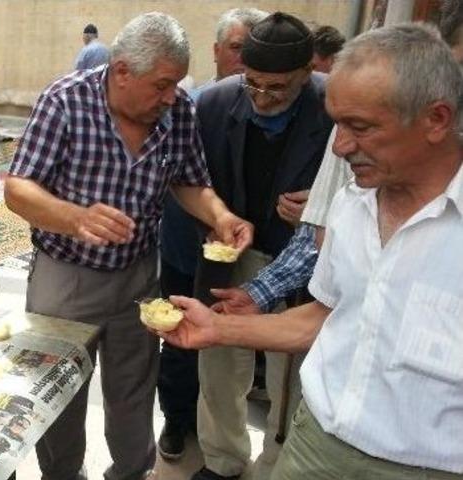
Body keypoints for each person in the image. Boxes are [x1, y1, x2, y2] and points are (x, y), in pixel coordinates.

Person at [161, 23, 463, 480]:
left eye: (359, 127)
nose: (339, 147)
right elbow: (325, 315)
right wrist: (218, 328)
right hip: (315, 446)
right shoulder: (350, 203)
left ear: (436, 119)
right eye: (336, 123)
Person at [5, 12, 253, 480]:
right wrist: (74, 217)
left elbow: (190, 181)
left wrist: (221, 216)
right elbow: (19, 189)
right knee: (60, 393)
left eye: (176, 84)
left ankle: (130, 472)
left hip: (139, 275)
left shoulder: (176, 110)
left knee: (133, 393)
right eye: (161, 85)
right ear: (122, 71)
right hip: (67, 278)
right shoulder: (65, 101)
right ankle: (62, 475)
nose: (170, 96)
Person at [190, 12, 333, 480]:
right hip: (229, 256)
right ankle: (222, 459)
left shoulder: (335, 106)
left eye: (279, 88)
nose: (263, 98)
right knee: (218, 364)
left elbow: (357, 185)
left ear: (306, 74)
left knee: (290, 375)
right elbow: (189, 180)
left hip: (306, 262)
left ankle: (277, 463)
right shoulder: (212, 103)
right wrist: (214, 219)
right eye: (253, 84)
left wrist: (324, 204)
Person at [155, 6, 268, 462]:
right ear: (218, 50)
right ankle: (177, 422)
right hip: (189, 250)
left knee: (234, 346)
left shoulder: (282, 106)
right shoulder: (193, 105)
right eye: (240, 48)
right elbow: (178, 179)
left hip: (254, 253)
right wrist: (208, 221)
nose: (247, 62)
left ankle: (223, 434)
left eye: (256, 52)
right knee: (179, 340)